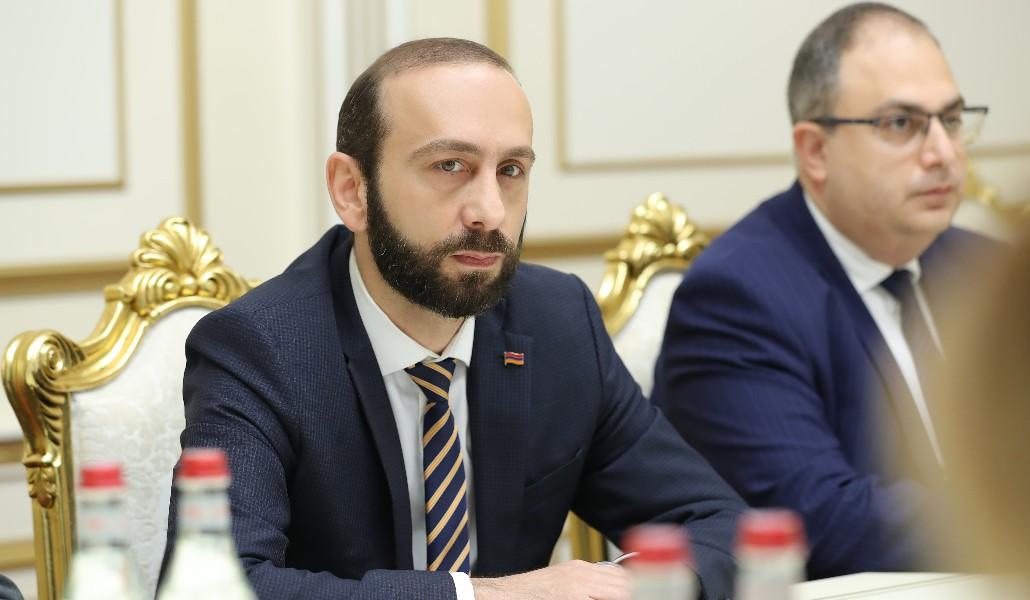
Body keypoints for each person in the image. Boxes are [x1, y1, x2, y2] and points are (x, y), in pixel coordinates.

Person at [162, 38, 744, 600]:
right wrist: (486, 597)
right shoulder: (259, 349)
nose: (490, 211)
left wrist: (619, 589)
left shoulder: (558, 321)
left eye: (510, 170)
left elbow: (721, 526)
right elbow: (212, 588)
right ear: (351, 190)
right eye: (450, 165)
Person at [650, 2, 995, 580]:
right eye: (902, 124)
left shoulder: (984, 268)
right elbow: (826, 521)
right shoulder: (736, 297)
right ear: (815, 151)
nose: (943, 153)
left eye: (952, 119)